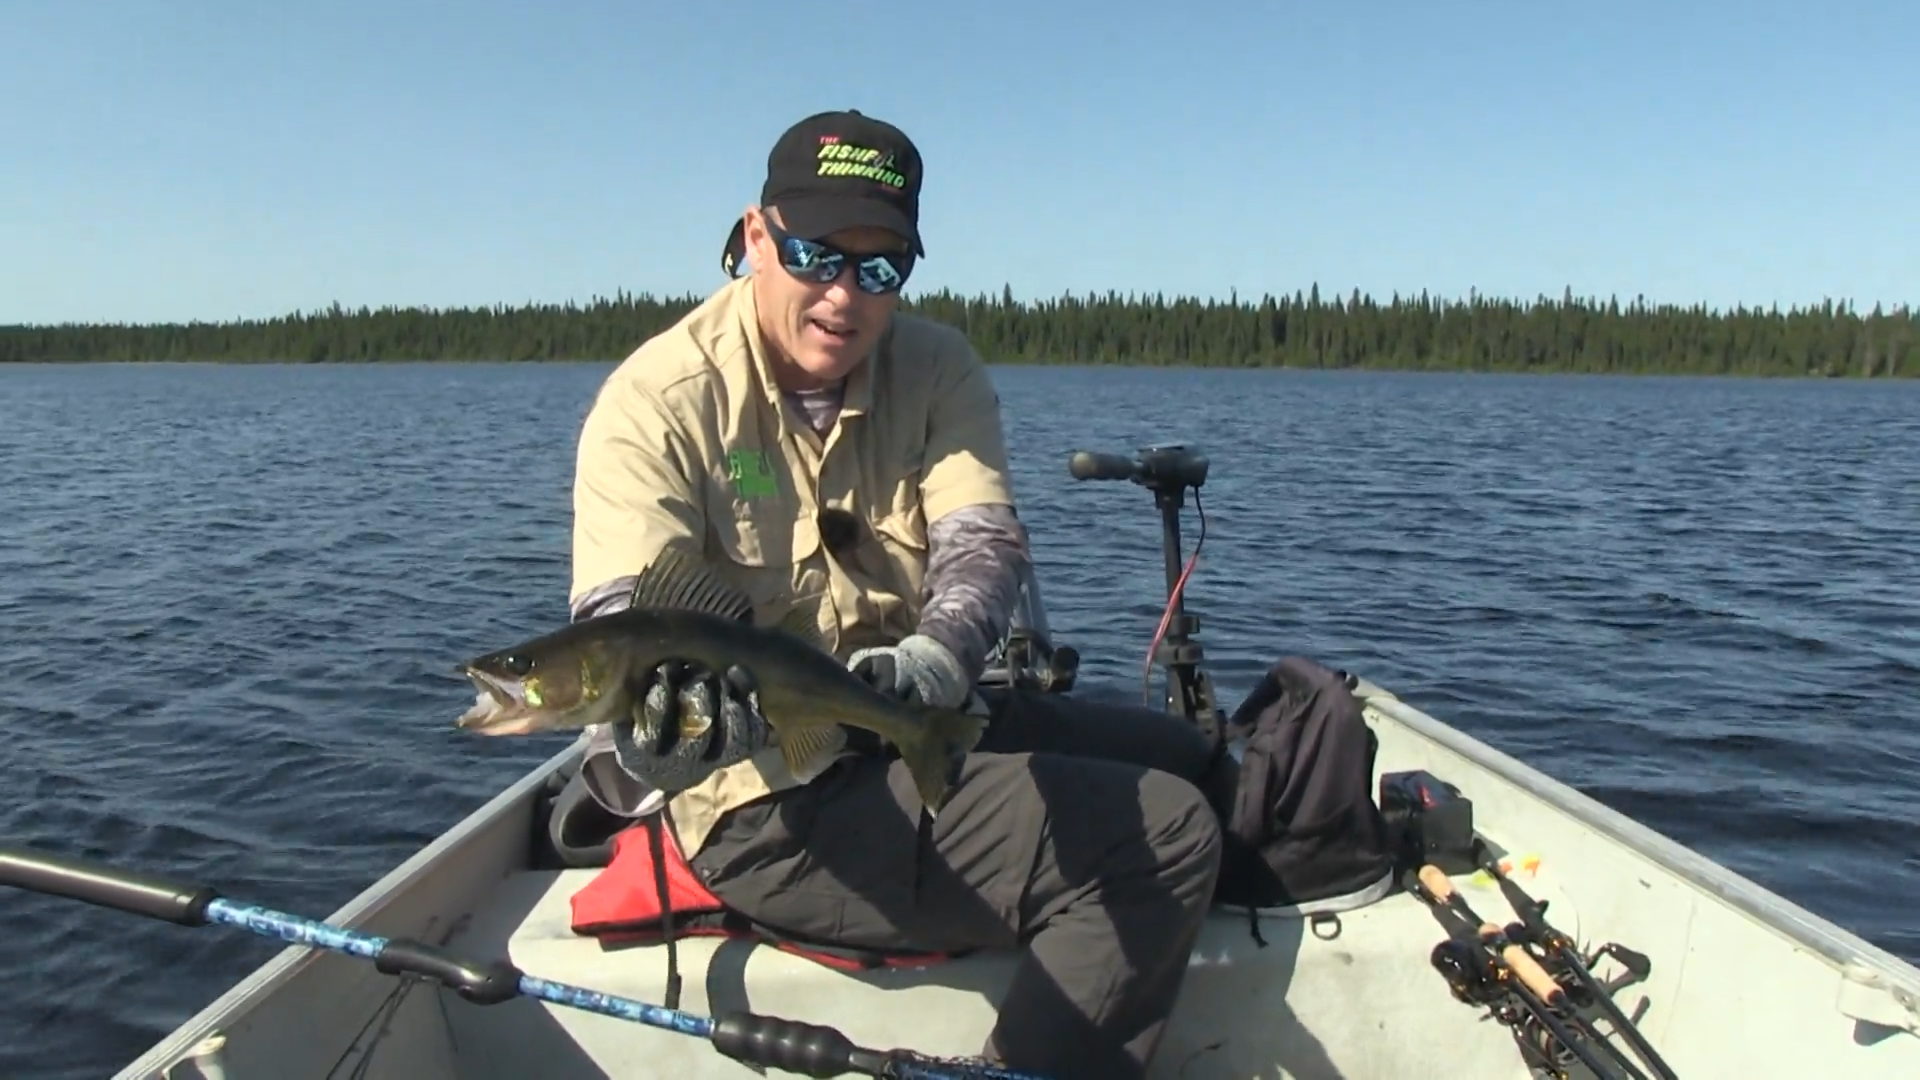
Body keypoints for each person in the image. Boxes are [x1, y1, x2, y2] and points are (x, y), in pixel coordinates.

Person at [562, 108, 1237, 1080]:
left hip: (909, 717)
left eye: (880, 269)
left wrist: (936, 654)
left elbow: (981, 542)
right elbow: (624, 631)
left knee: (1197, 764)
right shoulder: (657, 403)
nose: (845, 296)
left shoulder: (936, 367)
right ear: (756, 236)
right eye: (816, 254)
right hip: (770, 808)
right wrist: (655, 738)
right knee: (1162, 837)